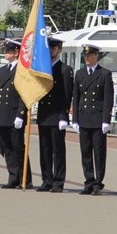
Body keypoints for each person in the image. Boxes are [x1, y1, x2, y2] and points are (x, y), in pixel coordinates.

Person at [71, 44, 113, 196]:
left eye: (89, 55)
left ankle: (97, 183)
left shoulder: (104, 74)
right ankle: (88, 181)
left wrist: (106, 120)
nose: (87, 58)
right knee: (85, 152)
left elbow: (108, 98)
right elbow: (76, 97)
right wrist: (75, 118)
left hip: (97, 118)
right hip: (84, 117)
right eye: (85, 56)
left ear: (96, 56)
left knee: (99, 153)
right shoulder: (80, 74)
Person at [0, 39, 33, 189]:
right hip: (2, 115)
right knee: (7, 148)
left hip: (15, 114)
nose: (5, 52)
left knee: (18, 148)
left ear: (16, 53)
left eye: (8, 50)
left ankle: (25, 179)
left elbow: (24, 94)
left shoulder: (22, 71)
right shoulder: (2, 70)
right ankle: (13, 177)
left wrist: (21, 114)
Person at [36, 36, 73, 193]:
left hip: (57, 115)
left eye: (54, 48)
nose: (52, 51)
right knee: (44, 149)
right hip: (44, 114)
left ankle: (58, 181)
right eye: (49, 48)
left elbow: (67, 94)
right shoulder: (43, 68)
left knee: (58, 151)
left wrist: (64, 116)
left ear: (60, 50)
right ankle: (46, 179)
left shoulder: (65, 70)